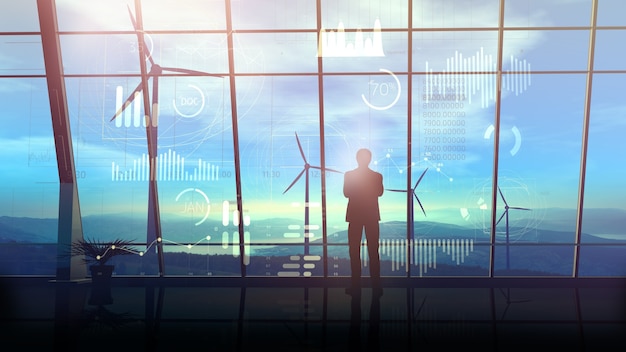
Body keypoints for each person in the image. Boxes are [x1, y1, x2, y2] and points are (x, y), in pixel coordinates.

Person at [343, 148, 384, 296]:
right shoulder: (377, 176)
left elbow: (346, 193)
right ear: (369, 159)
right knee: (374, 251)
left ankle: (355, 287)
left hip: (354, 216)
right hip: (371, 216)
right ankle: (376, 287)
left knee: (354, 252)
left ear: (357, 158)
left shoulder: (349, 175)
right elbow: (379, 192)